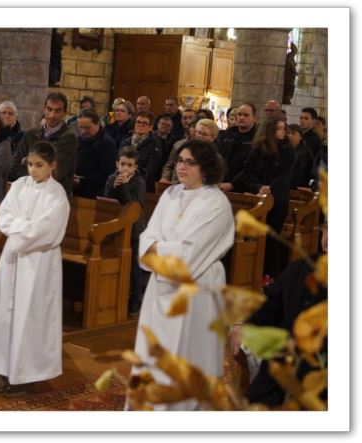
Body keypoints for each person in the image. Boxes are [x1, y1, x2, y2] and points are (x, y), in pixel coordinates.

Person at [130, 139, 234, 410]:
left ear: (206, 168)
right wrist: (158, 247)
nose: (181, 167)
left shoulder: (216, 203)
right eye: (179, 161)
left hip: (196, 287)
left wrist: (158, 248)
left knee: (190, 352)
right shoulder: (170, 194)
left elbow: (191, 253)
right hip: (160, 286)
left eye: (190, 162)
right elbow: (148, 236)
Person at [0, 141, 71, 398]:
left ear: (52, 166)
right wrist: (24, 228)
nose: (33, 170)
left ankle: (27, 376)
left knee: (30, 317)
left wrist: (20, 231)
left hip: (39, 262)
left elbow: (48, 229)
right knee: (3, 315)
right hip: (13, 257)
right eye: (30, 164)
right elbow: (4, 216)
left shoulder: (57, 195)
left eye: (39, 165)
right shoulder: (18, 186)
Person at [231, 221, 327, 407]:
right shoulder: (301, 268)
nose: (329, 238)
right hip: (275, 381)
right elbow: (269, 305)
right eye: (328, 228)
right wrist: (245, 323)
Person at [233, 117, 295, 280]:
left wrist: (269, 189)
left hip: (278, 199)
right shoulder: (258, 149)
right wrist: (258, 187)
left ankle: (270, 275)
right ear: (270, 130)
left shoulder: (288, 150)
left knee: (271, 237)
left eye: (284, 128)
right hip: (258, 197)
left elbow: (284, 175)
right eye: (279, 128)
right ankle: (251, 275)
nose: (283, 131)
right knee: (255, 237)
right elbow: (248, 172)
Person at [104, 146, 147, 316]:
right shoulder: (111, 178)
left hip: (134, 229)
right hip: (115, 226)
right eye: (122, 164)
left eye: (129, 165)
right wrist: (113, 188)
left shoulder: (139, 182)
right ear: (117, 164)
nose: (125, 168)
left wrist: (124, 186)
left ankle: (134, 302)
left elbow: (132, 205)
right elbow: (106, 203)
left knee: (134, 267)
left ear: (135, 167)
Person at [10, 92, 78, 197]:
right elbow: (14, 168)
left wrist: (26, 162)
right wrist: (40, 168)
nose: (52, 115)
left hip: (53, 197)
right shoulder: (31, 135)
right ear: (44, 110)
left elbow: (55, 174)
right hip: (28, 194)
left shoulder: (69, 138)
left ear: (65, 113)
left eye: (57, 111)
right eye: (49, 109)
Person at [73, 108, 117, 199]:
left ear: (97, 123)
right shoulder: (79, 140)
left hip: (95, 193)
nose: (83, 131)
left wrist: (82, 181)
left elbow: (106, 173)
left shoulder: (107, 143)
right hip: (76, 190)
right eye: (81, 127)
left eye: (87, 127)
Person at [217, 102, 258, 192]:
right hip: (221, 183)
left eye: (246, 115)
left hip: (244, 187)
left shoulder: (258, 138)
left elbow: (251, 166)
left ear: (254, 118)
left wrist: (233, 184)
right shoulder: (226, 135)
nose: (241, 117)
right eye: (239, 114)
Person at [118, 111, 162, 192]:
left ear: (151, 127)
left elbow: (150, 171)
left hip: (142, 186)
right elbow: (118, 163)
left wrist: (131, 178)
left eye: (144, 123)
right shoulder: (125, 141)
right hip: (122, 181)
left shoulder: (155, 144)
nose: (140, 125)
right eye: (138, 122)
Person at [287, 123, 314, 189]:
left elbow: (301, 175)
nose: (290, 136)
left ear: (300, 137)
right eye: (288, 133)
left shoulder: (304, 152)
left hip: (298, 188)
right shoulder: (286, 150)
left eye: (293, 134)